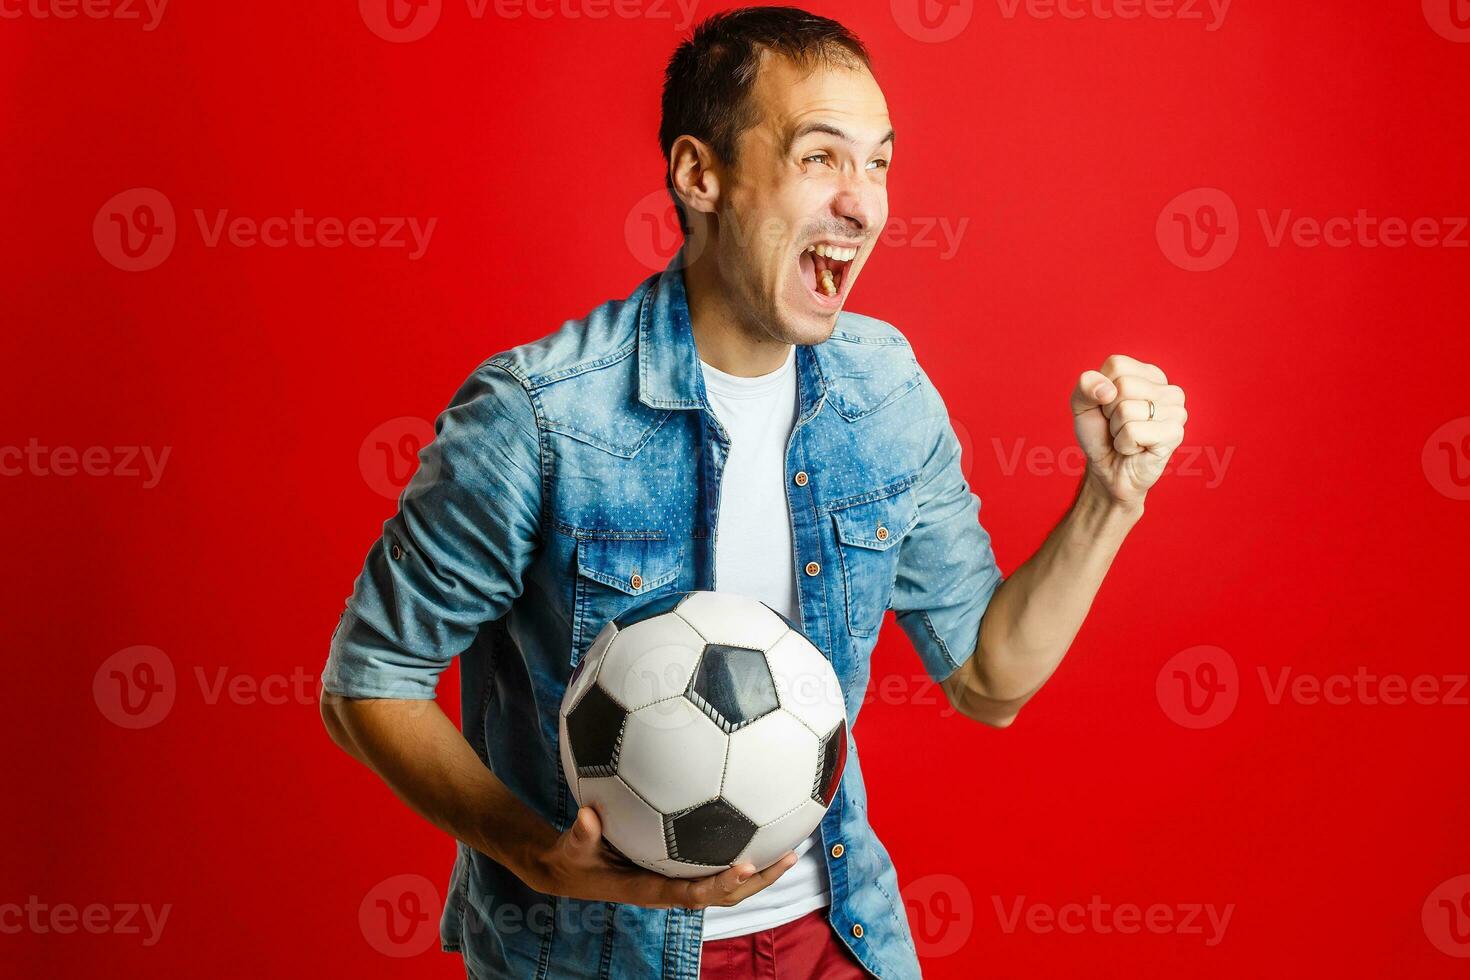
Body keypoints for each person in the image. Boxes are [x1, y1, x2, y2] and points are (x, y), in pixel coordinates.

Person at [319, 7, 1189, 978]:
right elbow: (368, 680)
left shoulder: (885, 389)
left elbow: (990, 680)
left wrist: (1110, 498)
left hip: (840, 933)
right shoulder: (538, 416)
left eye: (881, 163)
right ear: (702, 176)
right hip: (593, 956)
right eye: (822, 157)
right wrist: (534, 851)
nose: (863, 204)